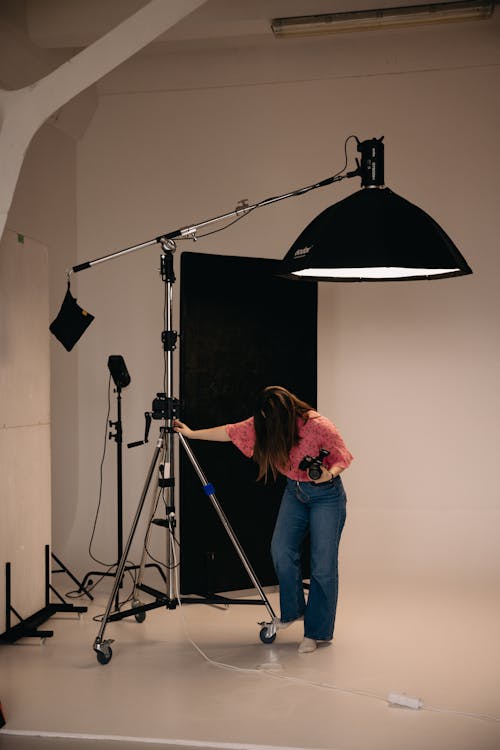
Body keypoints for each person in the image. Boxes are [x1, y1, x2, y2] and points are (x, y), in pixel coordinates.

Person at [174, 385, 353, 654]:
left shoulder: (318, 425)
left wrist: (328, 473)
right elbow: (229, 431)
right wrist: (191, 434)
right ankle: (293, 612)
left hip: (327, 496)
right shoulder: (264, 421)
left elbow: (342, 456)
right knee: (281, 549)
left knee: (322, 565)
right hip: (295, 491)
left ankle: (316, 631)